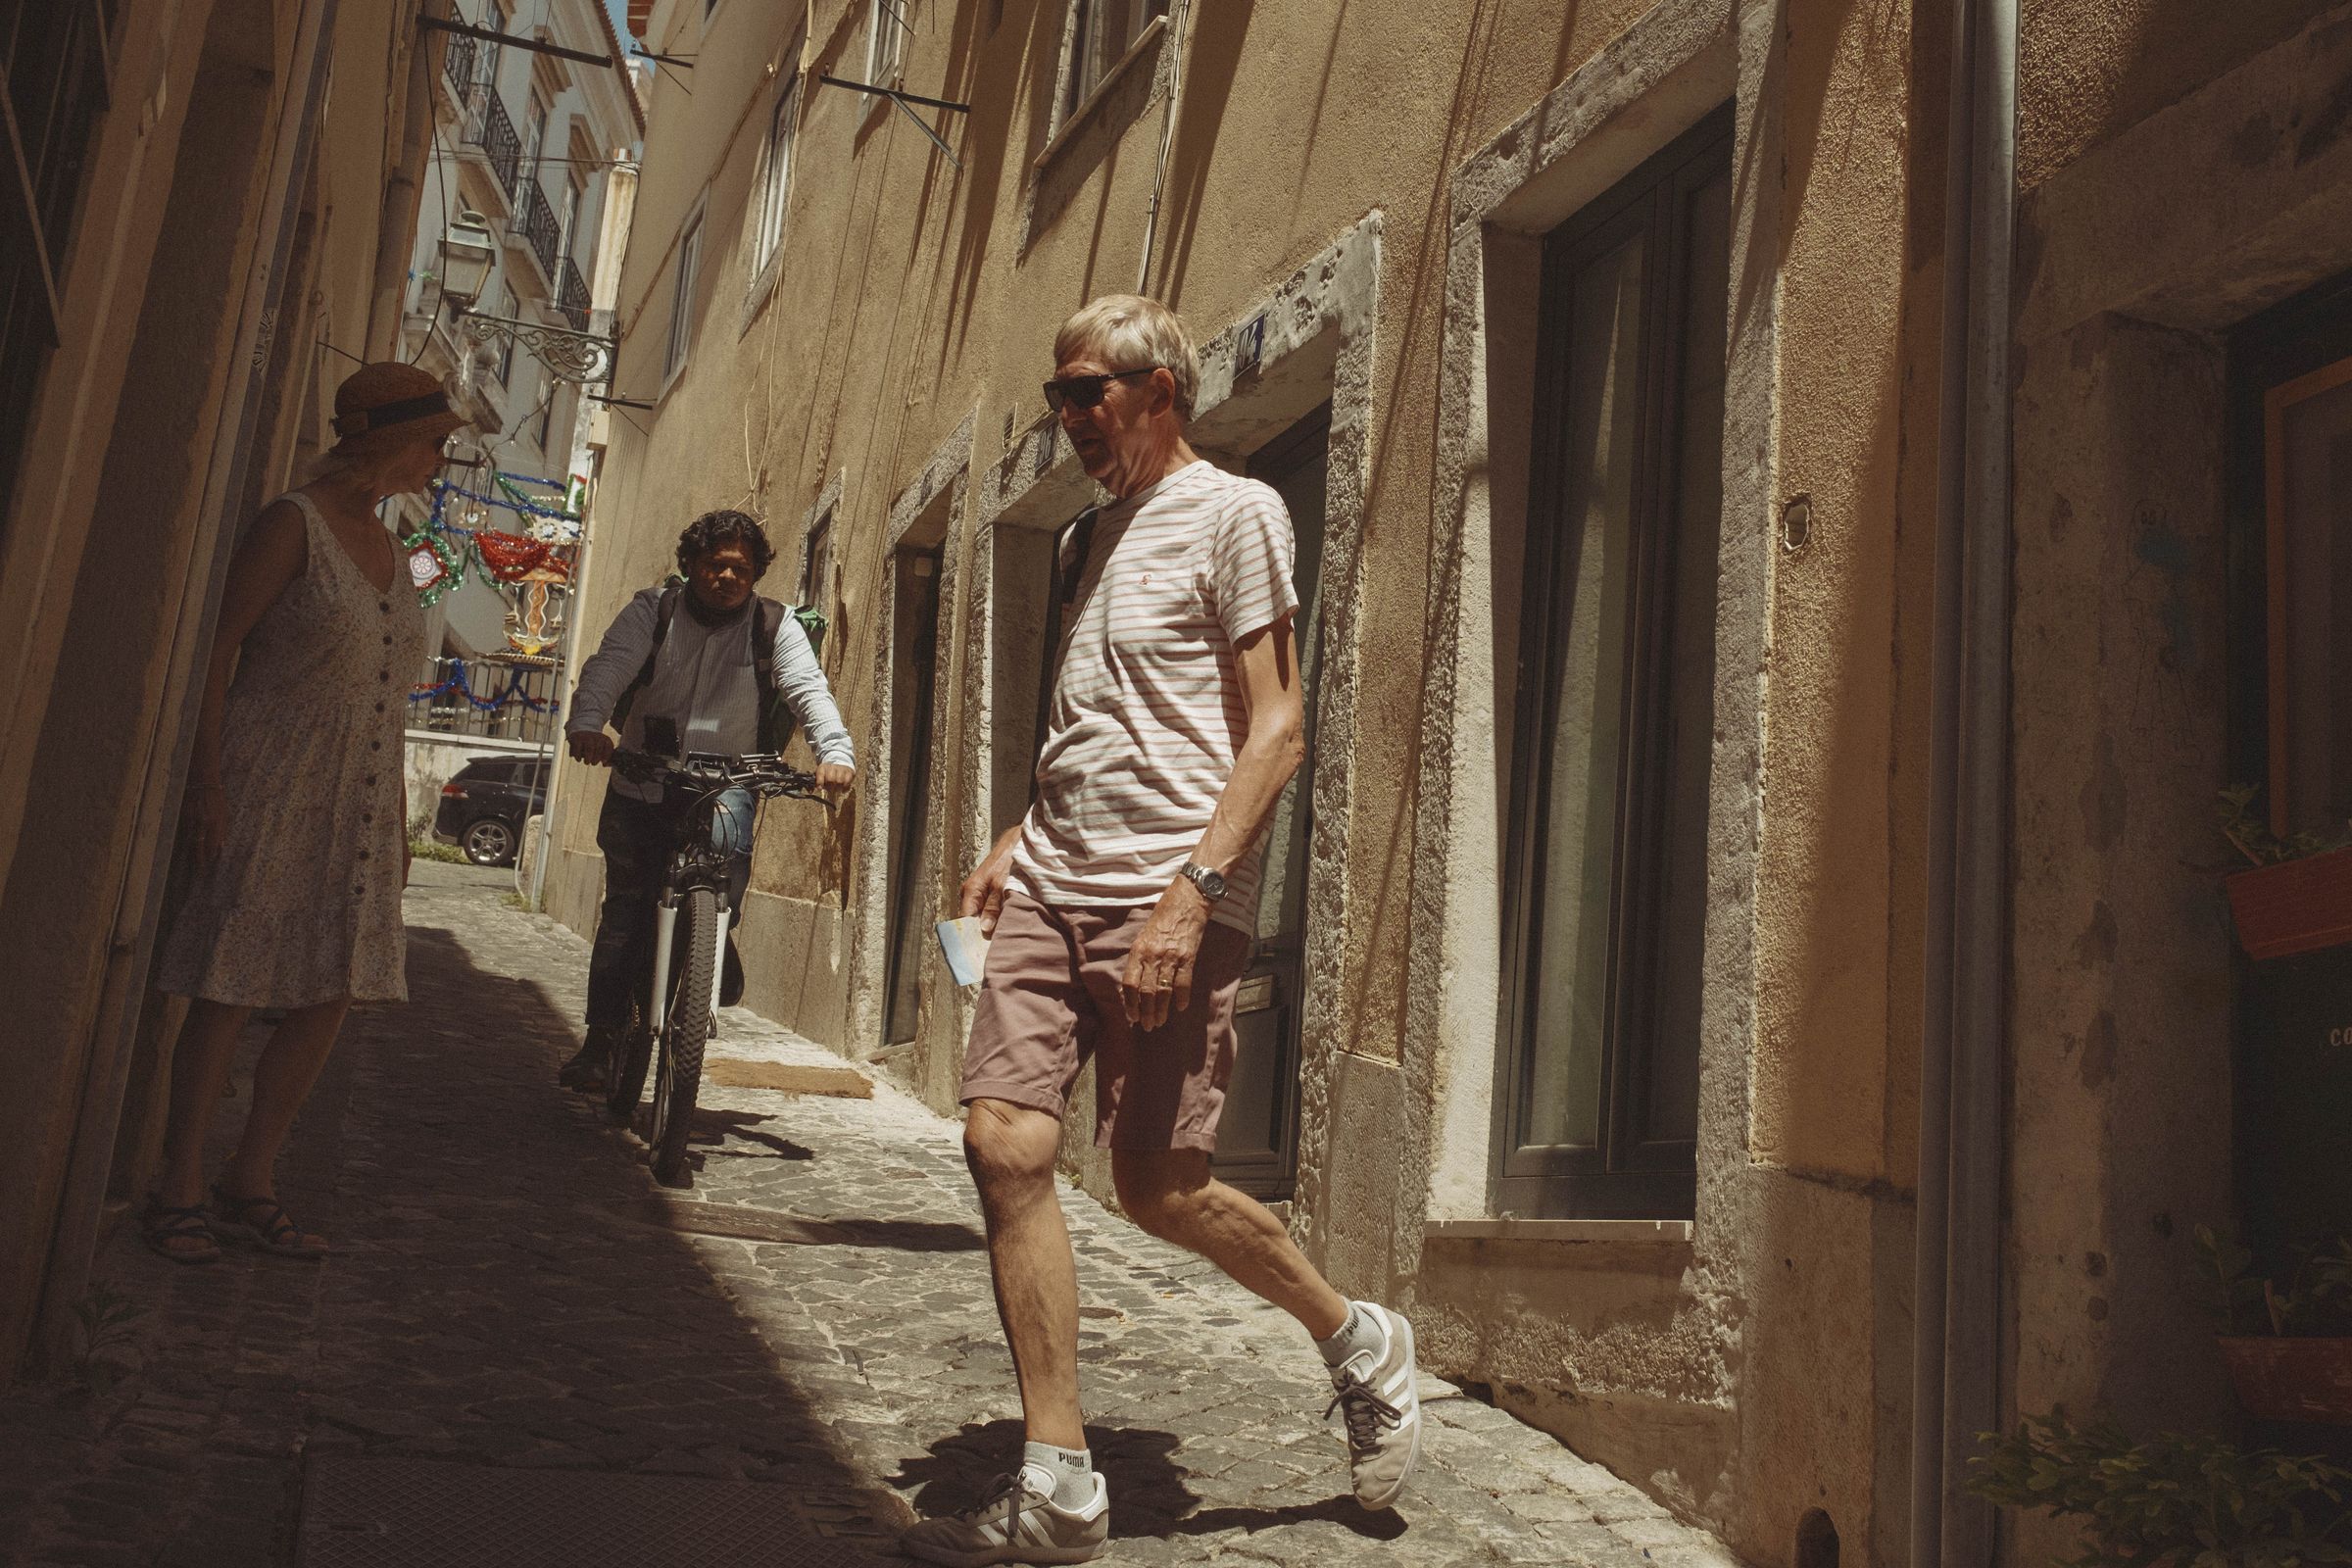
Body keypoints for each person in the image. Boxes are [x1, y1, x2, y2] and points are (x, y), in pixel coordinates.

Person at [900, 297, 1423, 1567]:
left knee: (1159, 1186)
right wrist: (1024, 828)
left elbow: (1278, 726)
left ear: (1161, 390)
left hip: (1168, 897)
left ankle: (1354, 1335)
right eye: (1058, 396)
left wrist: (1195, 894)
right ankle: (1062, 1472)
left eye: (1088, 393)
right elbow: (1105, 713)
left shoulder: (1238, 514)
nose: (1068, 418)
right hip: (1056, 881)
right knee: (1004, 1144)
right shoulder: (1083, 540)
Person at [145, 362, 461, 1263]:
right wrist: (206, 784)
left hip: (357, 802)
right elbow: (217, 652)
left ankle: (253, 1177)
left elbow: (387, 704)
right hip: (270, 782)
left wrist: (396, 822)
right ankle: (178, 1187)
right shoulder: (296, 525)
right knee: (228, 986)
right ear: (386, 441)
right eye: (434, 442)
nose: (440, 460)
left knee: (327, 992)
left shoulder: (396, 550)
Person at [557, 510, 855, 1091]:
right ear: (690, 564)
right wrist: (589, 723)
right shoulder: (654, 610)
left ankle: (708, 941)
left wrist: (835, 753)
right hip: (644, 777)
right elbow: (609, 666)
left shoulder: (776, 625)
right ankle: (599, 1042)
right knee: (624, 912)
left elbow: (806, 689)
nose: (727, 577)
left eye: (740, 568)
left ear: (756, 573)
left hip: (727, 785)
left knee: (721, 886)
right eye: (715, 564)